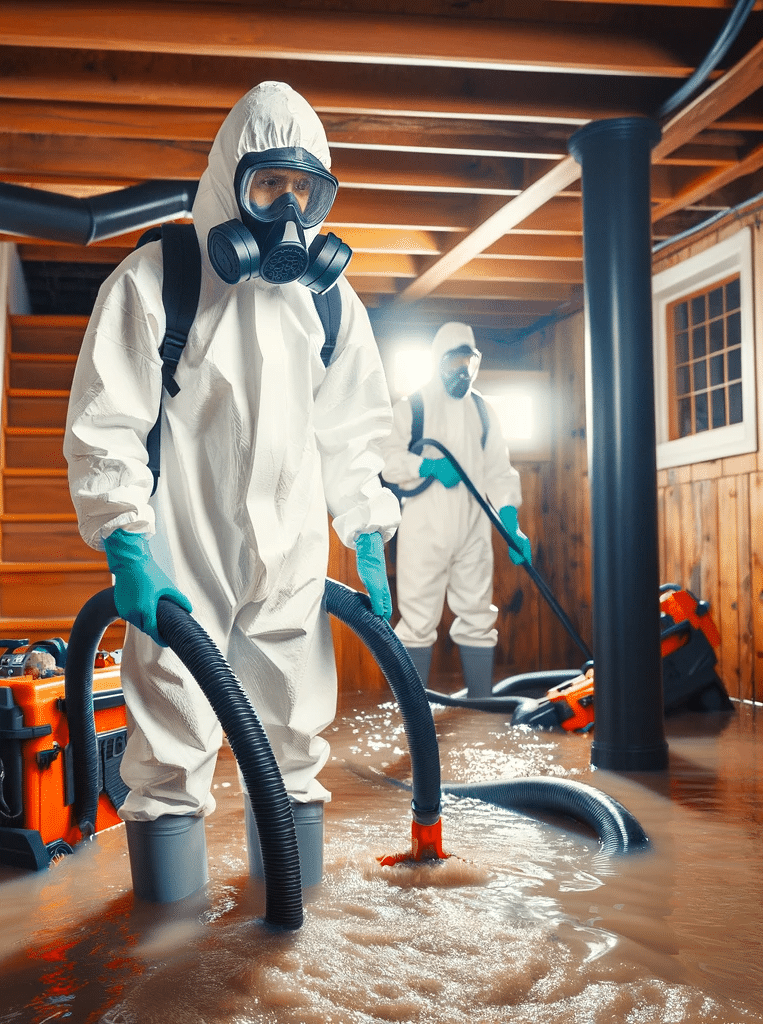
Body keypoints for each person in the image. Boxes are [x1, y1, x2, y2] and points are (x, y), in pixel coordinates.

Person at [64, 82, 401, 903]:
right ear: (227, 180)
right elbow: (106, 422)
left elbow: (355, 428)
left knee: (291, 744)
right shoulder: (159, 279)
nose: (287, 213)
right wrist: (126, 545)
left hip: (290, 560)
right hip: (184, 562)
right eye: (267, 186)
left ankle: (290, 937)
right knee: (172, 751)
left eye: (305, 192)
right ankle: (169, 956)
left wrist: (365, 527)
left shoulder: (327, 300)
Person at [381, 321, 531, 699]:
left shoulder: (482, 410)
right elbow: (386, 459)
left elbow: (499, 470)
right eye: (454, 363)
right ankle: (415, 710)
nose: (462, 372)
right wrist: (426, 466)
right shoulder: (412, 406)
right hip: (424, 528)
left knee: (479, 614)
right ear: (438, 362)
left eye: (469, 362)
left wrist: (510, 521)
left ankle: (481, 702)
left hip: (474, 529)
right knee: (416, 620)